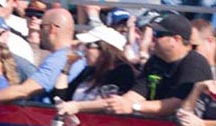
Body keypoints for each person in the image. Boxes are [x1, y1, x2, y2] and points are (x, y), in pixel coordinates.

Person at [58, 13, 211, 119]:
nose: (151, 39)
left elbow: (177, 103)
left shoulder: (194, 63)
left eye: (158, 35)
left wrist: (135, 107)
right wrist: (78, 106)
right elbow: (131, 97)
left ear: (176, 39)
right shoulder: (155, 61)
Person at [0, 7, 78, 120]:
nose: (38, 31)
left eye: (41, 26)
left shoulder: (60, 58)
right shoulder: (70, 54)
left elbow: (24, 90)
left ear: (52, 29)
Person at [52, 25, 135, 103]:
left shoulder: (123, 72)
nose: (84, 50)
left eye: (88, 46)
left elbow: (109, 104)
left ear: (104, 49)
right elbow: (59, 98)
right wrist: (68, 65)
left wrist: (77, 107)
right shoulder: (89, 71)